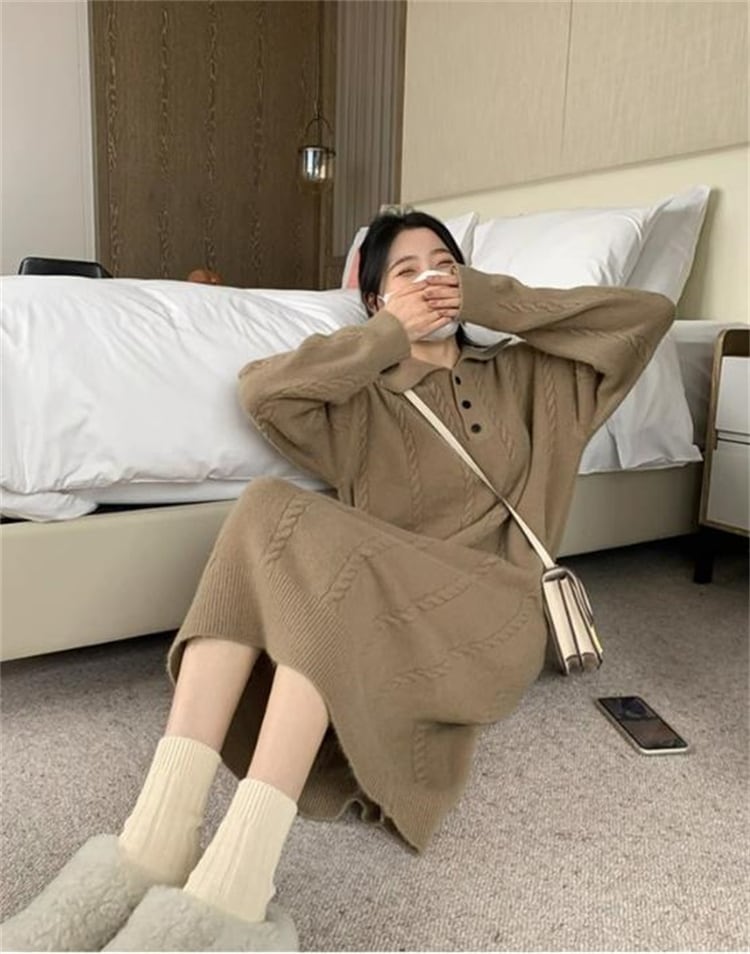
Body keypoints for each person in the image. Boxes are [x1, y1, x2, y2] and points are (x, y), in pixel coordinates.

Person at [1, 210, 675, 953]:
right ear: (377, 301)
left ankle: (234, 880)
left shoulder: (536, 378)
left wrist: (489, 299)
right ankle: (157, 838)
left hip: (498, 611)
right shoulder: (362, 400)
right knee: (266, 505)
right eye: (407, 272)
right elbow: (264, 395)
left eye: (444, 263)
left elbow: (647, 316)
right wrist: (387, 338)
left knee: (341, 568)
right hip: (384, 610)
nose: (431, 279)